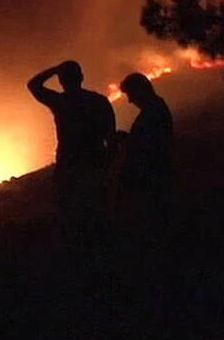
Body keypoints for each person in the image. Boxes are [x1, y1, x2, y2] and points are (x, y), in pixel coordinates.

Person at [27, 60, 116, 255]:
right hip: (94, 162)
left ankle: (76, 254)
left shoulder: (60, 102)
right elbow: (111, 136)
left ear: (61, 81)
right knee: (95, 212)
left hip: (69, 165)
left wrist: (54, 68)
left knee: (70, 213)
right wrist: (107, 163)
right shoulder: (99, 101)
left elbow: (33, 85)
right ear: (81, 77)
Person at [115, 73, 174, 246]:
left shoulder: (153, 112)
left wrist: (127, 141)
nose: (130, 101)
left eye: (131, 95)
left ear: (140, 91)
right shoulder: (155, 109)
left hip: (148, 183)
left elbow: (148, 147)